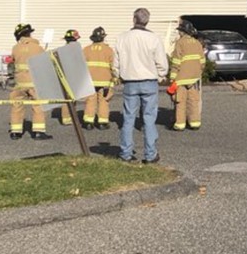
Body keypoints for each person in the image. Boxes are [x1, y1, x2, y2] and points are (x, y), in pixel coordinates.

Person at [112, 8, 168, 163]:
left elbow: (115, 63)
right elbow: (162, 63)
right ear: (147, 21)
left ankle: (125, 153)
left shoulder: (122, 38)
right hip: (149, 82)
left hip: (130, 82)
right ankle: (150, 154)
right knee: (149, 119)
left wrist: (117, 75)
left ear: (133, 19)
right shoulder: (154, 38)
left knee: (128, 118)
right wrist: (161, 74)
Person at [9, 23, 52, 140]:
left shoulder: (15, 48)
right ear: (29, 34)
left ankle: (15, 132)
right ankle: (38, 132)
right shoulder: (38, 48)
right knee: (38, 106)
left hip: (19, 84)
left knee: (17, 106)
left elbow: (12, 63)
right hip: (35, 83)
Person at [168, 20, 206, 131]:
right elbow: (202, 62)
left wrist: (172, 78)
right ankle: (194, 123)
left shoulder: (180, 43)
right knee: (193, 101)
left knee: (180, 101)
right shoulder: (197, 43)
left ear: (182, 32)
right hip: (194, 79)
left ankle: (180, 124)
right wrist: (198, 73)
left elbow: (176, 62)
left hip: (181, 79)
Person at [82, 26, 115, 130]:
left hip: (89, 81)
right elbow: (113, 66)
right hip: (104, 81)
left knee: (90, 100)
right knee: (103, 101)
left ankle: (88, 121)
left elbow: (81, 66)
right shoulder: (109, 50)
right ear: (103, 37)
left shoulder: (86, 50)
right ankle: (102, 122)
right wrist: (114, 79)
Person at [59, 29, 81, 126]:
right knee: (72, 99)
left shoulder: (62, 50)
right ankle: (70, 117)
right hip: (74, 78)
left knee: (66, 98)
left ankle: (66, 118)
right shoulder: (76, 50)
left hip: (64, 77)